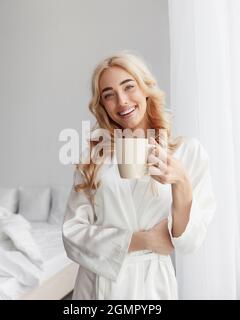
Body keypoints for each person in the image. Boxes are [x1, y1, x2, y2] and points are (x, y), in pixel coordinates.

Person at [61, 51, 216, 299]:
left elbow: (189, 243)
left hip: (152, 286)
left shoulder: (187, 152)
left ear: (145, 89)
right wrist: (140, 241)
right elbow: (72, 234)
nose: (122, 101)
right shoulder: (93, 158)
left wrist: (181, 182)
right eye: (108, 95)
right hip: (97, 287)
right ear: (103, 106)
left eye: (129, 86)